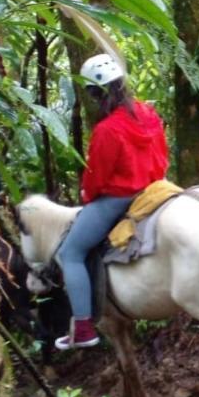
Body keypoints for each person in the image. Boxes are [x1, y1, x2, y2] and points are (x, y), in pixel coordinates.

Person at [54, 53, 169, 351]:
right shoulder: (149, 114)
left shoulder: (106, 130)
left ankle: (82, 327)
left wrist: (87, 197)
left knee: (71, 252)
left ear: (95, 93)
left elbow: (97, 178)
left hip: (120, 198)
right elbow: (162, 155)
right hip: (157, 190)